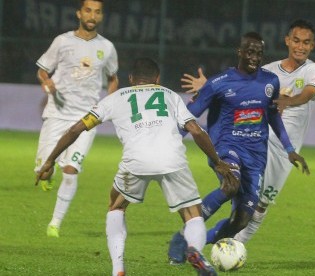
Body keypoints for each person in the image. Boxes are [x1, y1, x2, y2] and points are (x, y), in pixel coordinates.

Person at [36, 57, 238, 276]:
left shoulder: (116, 98)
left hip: (136, 162)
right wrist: (218, 162)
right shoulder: (169, 95)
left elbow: (76, 129)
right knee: (193, 216)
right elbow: (197, 131)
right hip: (172, 159)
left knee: (116, 207)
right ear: (157, 79)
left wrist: (50, 160)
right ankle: (194, 251)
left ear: (131, 79)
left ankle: (118, 270)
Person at [177, 19, 315, 245]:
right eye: (296, 40)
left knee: (257, 208)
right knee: (232, 186)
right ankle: (197, 241)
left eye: (306, 43)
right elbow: (239, 85)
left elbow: (309, 93)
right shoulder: (267, 71)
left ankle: (216, 242)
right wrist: (210, 86)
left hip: (282, 152)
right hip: (251, 141)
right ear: (287, 41)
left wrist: (287, 101)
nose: (301, 46)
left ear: (313, 46)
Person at [34, 0, 119, 238]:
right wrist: (46, 81)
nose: (92, 15)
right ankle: (46, 173)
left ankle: (55, 224)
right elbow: (42, 69)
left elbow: (113, 78)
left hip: (85, 118)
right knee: (43, 170)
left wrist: (107, 105)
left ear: (101, 17)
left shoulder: (107, 47)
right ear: (79, 13)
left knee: (71, 170)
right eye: (88, 10)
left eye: (97, 11)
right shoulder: (62, 41)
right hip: (57, 114)